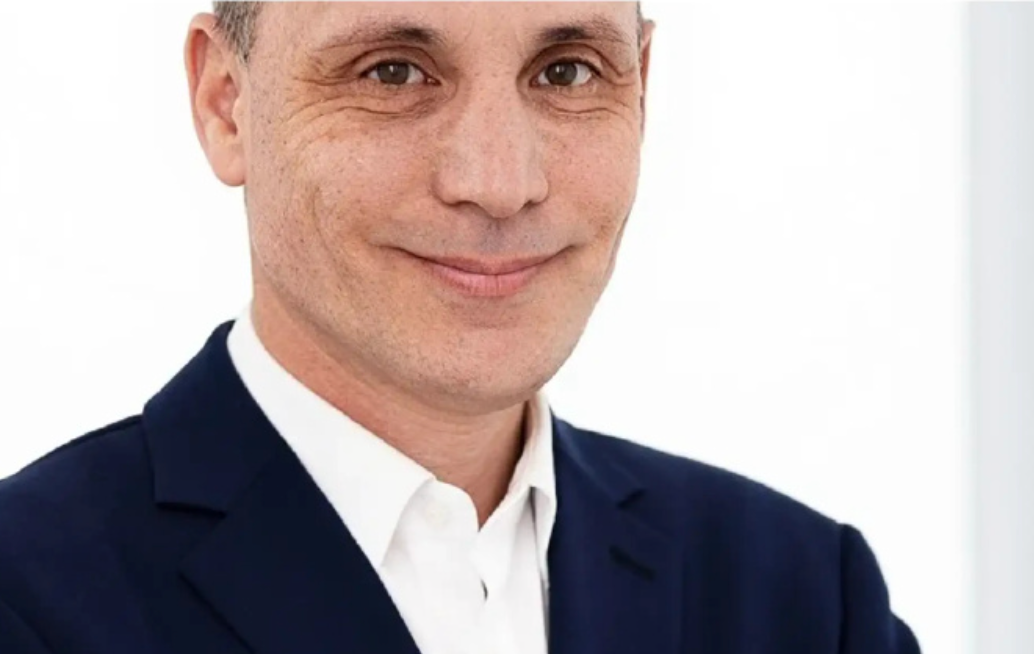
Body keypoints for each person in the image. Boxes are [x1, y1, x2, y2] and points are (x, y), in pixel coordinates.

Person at [0, 2, 920, 653]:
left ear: (642, 91)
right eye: (392, 71)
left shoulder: (804, 603)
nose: (500, 181)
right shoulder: (28, 599)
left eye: (566, 71)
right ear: (225, 101)